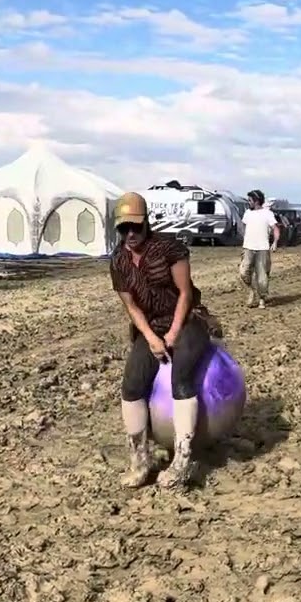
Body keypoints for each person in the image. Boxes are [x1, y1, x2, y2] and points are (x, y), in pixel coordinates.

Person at [110, 191, 216, 490]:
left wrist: (172, 334)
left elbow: (184, 293)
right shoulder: (118, 261)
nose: (130, 234)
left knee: (180, 378)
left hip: (185, 320)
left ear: (146, 223)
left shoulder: (170, 249)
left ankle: (182, 460)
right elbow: (131, 306)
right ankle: (140, 459)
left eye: (135, 226)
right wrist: (152, 338)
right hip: (151, 326)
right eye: (123, 228)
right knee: (131, 385)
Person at [238, 189, 280, 309]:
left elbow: (276, 229)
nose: (248, 202)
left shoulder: (267, 214)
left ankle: (262, 299)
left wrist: (275, 242)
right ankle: (252, 290)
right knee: (243, 272)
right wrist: (244, 237)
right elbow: (243, 227)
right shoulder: (247, 213)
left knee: (262, 276)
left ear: (256, 201)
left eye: (250, 200)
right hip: (248, 248)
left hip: (262, 248)